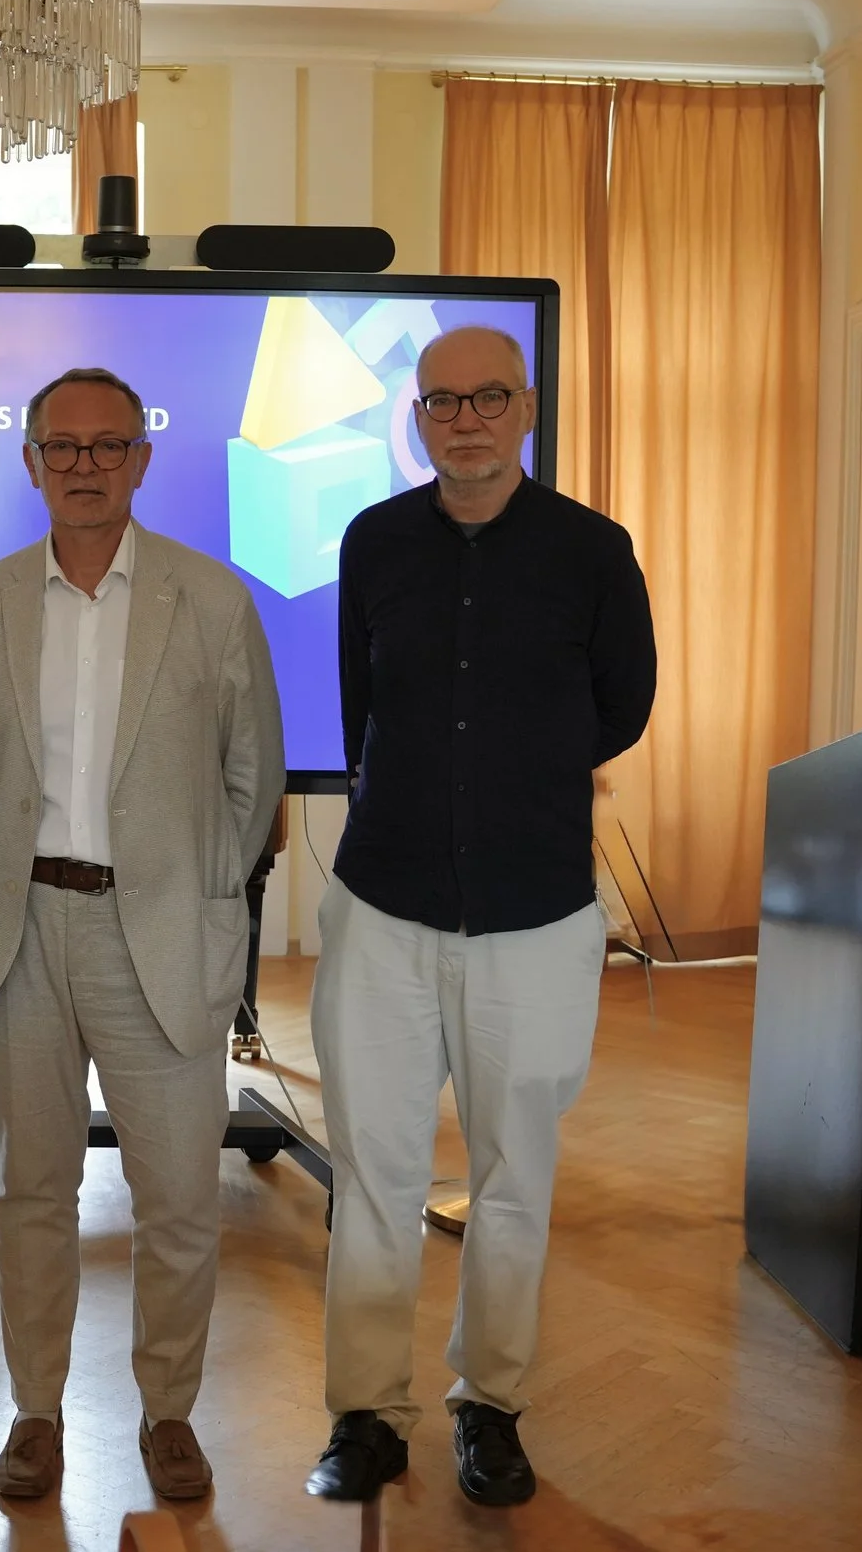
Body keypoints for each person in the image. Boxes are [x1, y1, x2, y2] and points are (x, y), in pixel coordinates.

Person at [303, 326, 656, 1508]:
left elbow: (621, 708)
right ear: (417, 417)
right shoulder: (374, 540)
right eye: (442, 401)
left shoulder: (592, 550)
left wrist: (514, 772)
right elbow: (360, 705)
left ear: (526, 408)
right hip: (384, 905)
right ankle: (365, 1412)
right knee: (372, 1170)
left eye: (487, 396)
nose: (464, 419)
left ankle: (489, 1406)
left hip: (536, 912)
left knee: (514, 1175)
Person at [0, 366, 285, 1503]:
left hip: (162, 935)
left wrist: (202, 894)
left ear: (142, 459)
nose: (84, 464)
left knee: (180, 1197)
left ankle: (168, 1409)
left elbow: (253, 779)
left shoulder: (213, 598)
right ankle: (35, 1411)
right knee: (30, 1192)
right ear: (31, 461)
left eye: (108, 445)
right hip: (23, 936)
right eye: (63, 445)